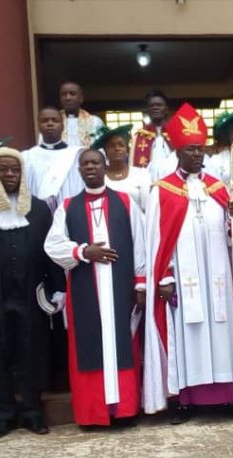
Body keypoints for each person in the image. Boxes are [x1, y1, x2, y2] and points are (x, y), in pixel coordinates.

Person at [142, 102, 233, 424]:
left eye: (200, 149)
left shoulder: (220, 188)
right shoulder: (163, 192)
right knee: (188, 336)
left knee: (222, 332)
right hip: (183, 283)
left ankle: (226, 396)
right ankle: (185, 401)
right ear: (178, 151)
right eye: (190, 150)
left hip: (219, 278)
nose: (197, 155)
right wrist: (165, 277)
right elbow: (159, 242)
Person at [0, 148, 64, 437]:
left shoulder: (40, 208)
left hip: (32, 295)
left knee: (31, 353)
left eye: (15, 170)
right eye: (3, 170)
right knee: (0, 354)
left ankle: (32, 412)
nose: (9, 175)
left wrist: (58, 289)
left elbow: (51, 253)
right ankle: (4, 414)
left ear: (22, 174)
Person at [46, 149, 147, 427]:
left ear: (104, 166)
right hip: (84, 288)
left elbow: (141, 242)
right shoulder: (67, 206)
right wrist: (82, 252)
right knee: (88, 347)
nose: (90, 167)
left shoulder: (125, 202)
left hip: (120, 287)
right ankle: (93, 414)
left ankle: (124, 410)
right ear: (79, 170)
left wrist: (141, 283)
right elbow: (52, 245)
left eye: (95, 162)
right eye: (84, 164)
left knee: (123, 344)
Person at [25, 107, 85, 212]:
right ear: (38, 126)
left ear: (63, 125)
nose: (50, 123)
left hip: (69, 213)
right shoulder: (27, 157)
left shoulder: (77, 156)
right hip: (38, 215)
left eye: (55, 120)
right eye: (45, 121)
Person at [96, 124, 151, 211]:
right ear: (105, 152)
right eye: (111, 146)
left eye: (121, 145)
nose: (117, 148)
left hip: (136, 223)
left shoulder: (141, 175)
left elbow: (147, 208)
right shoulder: (99, 178)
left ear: (127, 150)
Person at [131, 89, 173, 172]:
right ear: (147, 110)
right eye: (151, 106)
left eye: (159, 105)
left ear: (166, 109)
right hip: (147, 180)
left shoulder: (175, 133)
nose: (155, 108)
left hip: (171, 181)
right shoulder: (139, 136)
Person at [56, 81, 104, 147]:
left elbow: (101, 148)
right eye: (64, 94)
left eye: (72, 94)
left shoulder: (95, 121)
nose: (68, 98)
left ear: (81, 98)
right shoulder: (54, 122)